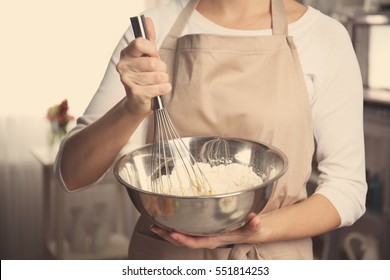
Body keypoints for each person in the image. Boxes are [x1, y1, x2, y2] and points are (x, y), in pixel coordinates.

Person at [54, 0, 367, 259]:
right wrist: (131, 108)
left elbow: (347, 189)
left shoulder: (323, 37)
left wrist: (258, 228)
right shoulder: (153, 30)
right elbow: (71, 174)